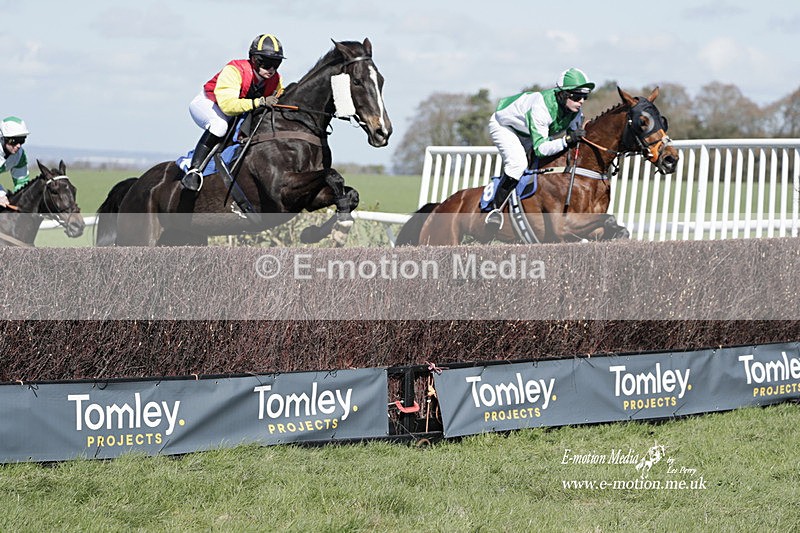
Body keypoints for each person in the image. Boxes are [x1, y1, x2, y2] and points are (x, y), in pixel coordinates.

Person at [485, 67, 595, 228]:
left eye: (585, 96)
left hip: (529, 132)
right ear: (563, 94)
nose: (581, 101)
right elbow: (541, 149)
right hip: (505, 126)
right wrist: (567, 140)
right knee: (518, 165)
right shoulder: (541, 107)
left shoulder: (575, 111)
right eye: (577, 96)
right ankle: (494, 211)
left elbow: (573, 144)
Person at [181, 34, 287, 191]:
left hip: (237, 110)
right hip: (209, 103)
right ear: (253, 59)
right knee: (219, 126)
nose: (271, 69)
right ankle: (193, 169)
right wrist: (261, 102)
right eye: (265, 62)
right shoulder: (234, 71)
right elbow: (228, 106)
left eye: (276, 63)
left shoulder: (276, 80)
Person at [0, 116, 31, 208]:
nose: (18, 145)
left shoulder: (20, 155)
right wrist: (1, 194)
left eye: (22, 140)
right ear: (3, 138)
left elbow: (21, 183)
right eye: (14, 141)